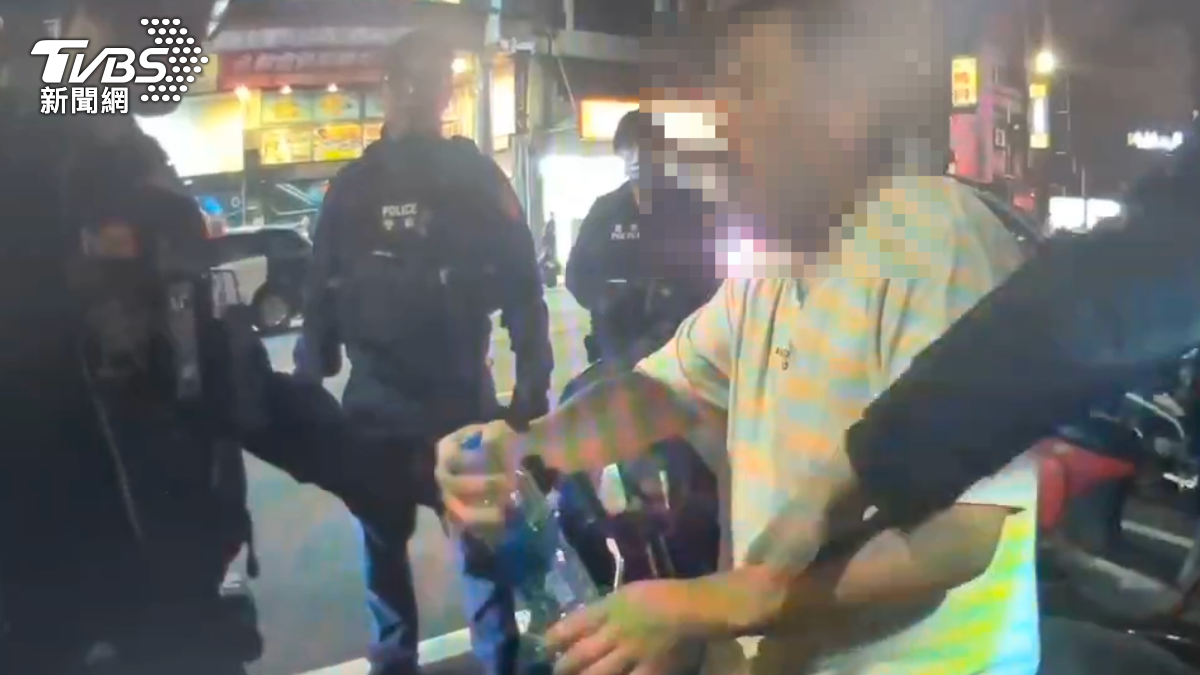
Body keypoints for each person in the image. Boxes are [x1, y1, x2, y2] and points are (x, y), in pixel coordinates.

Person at [437, 3, 1046, 675]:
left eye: (751, 88)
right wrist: (532, 445)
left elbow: (959, 536)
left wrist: (713, 604)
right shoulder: (771, 264)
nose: (720, 123)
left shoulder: (939, 239)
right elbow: (662, 392)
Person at [0, 3, 424, 674]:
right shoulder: (28, 175)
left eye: (202, 20)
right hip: (63, 628)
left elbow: (221, 379)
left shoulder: (136, 175)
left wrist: (401, 470)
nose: (191, 44)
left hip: (179, 612)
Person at [297, 31, 554, 675]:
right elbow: (320, 290)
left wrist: (533, 383)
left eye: (432, 81)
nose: (418, 95)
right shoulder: (352, 188)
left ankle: (500, 663)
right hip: (375, 411)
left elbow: (523, 284)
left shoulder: (476, 178)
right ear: (388, 89)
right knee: (383, 562)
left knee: (482, 559)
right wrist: (308, 381)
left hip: (459, 405)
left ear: (446, 93)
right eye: (407, 81)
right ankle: (393, 666)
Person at [566, 109, 718, 364]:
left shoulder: (694, 209)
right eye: (629, 149)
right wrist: (608, 297)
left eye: (646, 148)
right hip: (616, 351)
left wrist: (672, 298)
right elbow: (576, 274)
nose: (636, 157)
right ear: (620, 153)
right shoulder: (605, 211)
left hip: (680, 351)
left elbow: (716, 280)